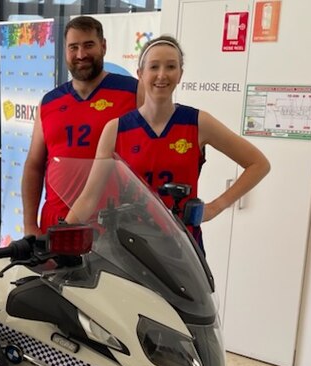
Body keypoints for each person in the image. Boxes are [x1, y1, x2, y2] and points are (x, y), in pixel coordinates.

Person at [64, 35, 271, 250]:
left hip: (183, 245)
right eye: (154, 67)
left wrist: (215, 207)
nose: (162, 75)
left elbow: (258, 164)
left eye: (171, 67)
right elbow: (89, 198)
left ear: (180, 74)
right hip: (132, 245)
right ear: (140, 74)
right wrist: (58, 236)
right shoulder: (116, 129)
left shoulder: (198, 122)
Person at [21, 16, 140, 235]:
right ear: (65, 51)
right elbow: (34, 165)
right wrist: (29, 224)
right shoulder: (49, 102)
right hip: (56, 225)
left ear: (103, 46)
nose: (81, 55)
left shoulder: (134, 93)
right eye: (73, 47)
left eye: (88, 45)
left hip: (112, 227)